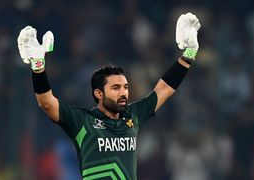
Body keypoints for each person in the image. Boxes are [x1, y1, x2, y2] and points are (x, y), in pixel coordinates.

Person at [17, 12, 201, 180]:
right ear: (98, 93)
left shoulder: (133, 115)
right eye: (115, 88)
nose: (123, 93)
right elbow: (47, 103)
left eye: (125, 87)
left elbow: (164, 89)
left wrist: (190, 53)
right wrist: (38, 66)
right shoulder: (83, 121)